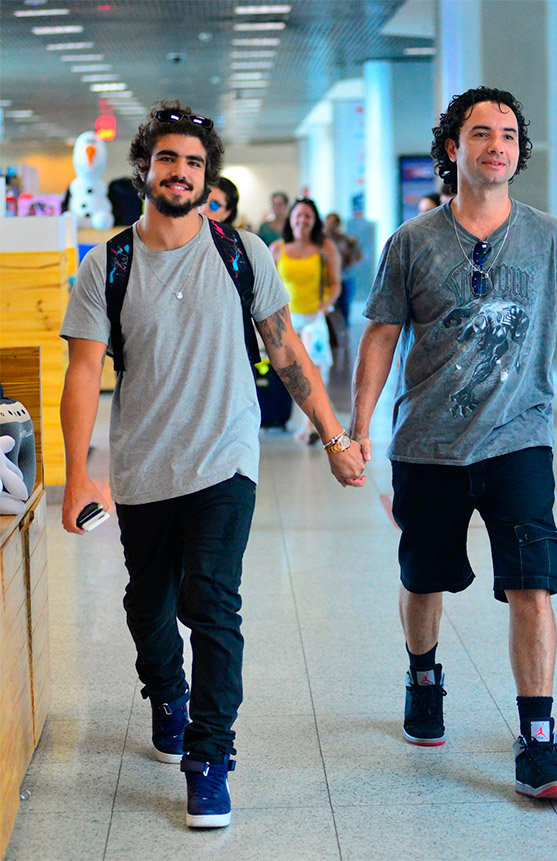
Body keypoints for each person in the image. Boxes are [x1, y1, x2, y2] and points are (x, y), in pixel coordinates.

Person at [59, 99, 366, 829]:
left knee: (213, 604)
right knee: (148, 604)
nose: (181, 172)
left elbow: (286, 350)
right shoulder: (109, 263)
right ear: (145, 168)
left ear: (207, 176)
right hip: (142, 466)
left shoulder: (242, 253)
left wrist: (332, 436)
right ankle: (166, 691)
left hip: (227, 460)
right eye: (169, 159)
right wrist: (79, 472)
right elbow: (81, 371)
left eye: (194, 162)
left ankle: (210, 757)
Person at [350, 86, 557, 800]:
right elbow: (381, 334)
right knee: (424, 579)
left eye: (510, 135)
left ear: (519, 152)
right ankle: (423, 676)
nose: (498, 145)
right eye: (482, 132)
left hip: (520, 440)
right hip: (428, 444)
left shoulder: (548, 237)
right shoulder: (413, 241)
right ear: (453, 147)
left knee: (533, 584)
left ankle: (538, 740)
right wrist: (359, 427)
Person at [270, 197, 342, 444]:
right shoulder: (278, 249)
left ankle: (311, 426)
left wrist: (325, 305)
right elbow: (270, 286)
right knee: (296, 373)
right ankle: (303, 422)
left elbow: (335, 283)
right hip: (287, 321)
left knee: (316, 372)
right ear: (290, 219)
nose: (302, 221)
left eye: (307, 217)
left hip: (314, 318)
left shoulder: (325, 248)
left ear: (314, 221)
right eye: (298, 216)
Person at [325, 212, 363, 325]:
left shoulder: (346, 240)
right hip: (328, 280)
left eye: (333, 223)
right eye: (328, 223)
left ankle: (343, 334)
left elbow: (358, 257)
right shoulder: (323, 242)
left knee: (344, 309)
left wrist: (352, 250)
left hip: (344, 278)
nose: (330, 226)